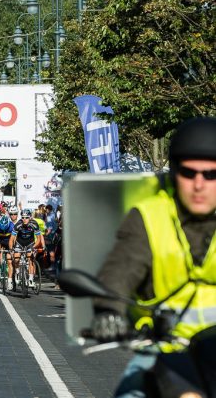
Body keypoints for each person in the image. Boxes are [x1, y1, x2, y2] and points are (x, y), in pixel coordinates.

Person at [91, 117, 216, 398]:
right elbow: (119, 271)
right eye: (189, 173)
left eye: (211, 175)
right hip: (164, 350)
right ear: (174, 173)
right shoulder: (149, 216)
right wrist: (109, 310)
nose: (199, 184)